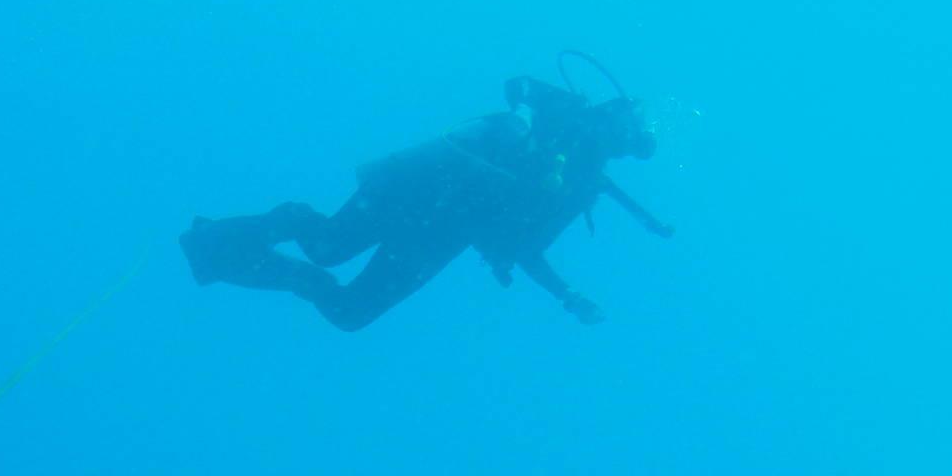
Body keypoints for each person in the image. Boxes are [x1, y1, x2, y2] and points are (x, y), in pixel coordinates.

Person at [179, 70, 674, 331]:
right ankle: (221, 240)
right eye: (628, 126)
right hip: (420, 186)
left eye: (630, 141)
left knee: (350, 313)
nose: (622, 141)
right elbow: (518, 87)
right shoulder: (563, 111)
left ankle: (274, 269)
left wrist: (567, 296)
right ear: (612, 113)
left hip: (443, 234)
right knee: (328, 246)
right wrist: (521, 124)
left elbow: (527, 250)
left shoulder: (580, 188)